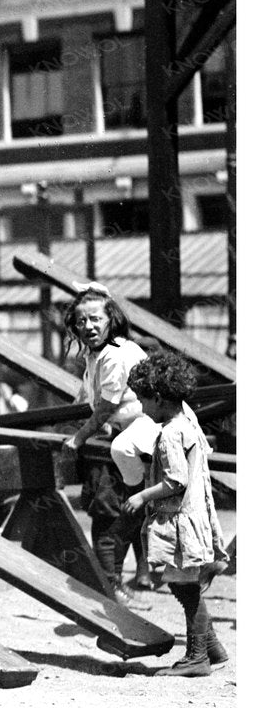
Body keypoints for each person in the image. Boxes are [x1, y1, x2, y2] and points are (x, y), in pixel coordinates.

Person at [124, 351, 230, 677]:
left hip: (177, 518)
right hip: (194, 514)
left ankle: (197, 657)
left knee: (185, 587)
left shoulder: (170, 432)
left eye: (142, 400)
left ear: (157, 398)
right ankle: (212, 646)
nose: (141, 408)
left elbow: (175, 480)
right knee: (186, 584)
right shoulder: (188, 421)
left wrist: (142, 495)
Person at [64, 286, 154, 594]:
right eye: (81, 321)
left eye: (95, 319)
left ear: (110, 320)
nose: (88, 326)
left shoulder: (116, 354)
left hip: (138, 437)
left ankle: (111, 585)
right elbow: (92, 399)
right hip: (122, 438)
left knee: (112, 514)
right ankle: (115, 582)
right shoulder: (99, 354)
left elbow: (107, 406)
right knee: (123, 512)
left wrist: (78, 437)